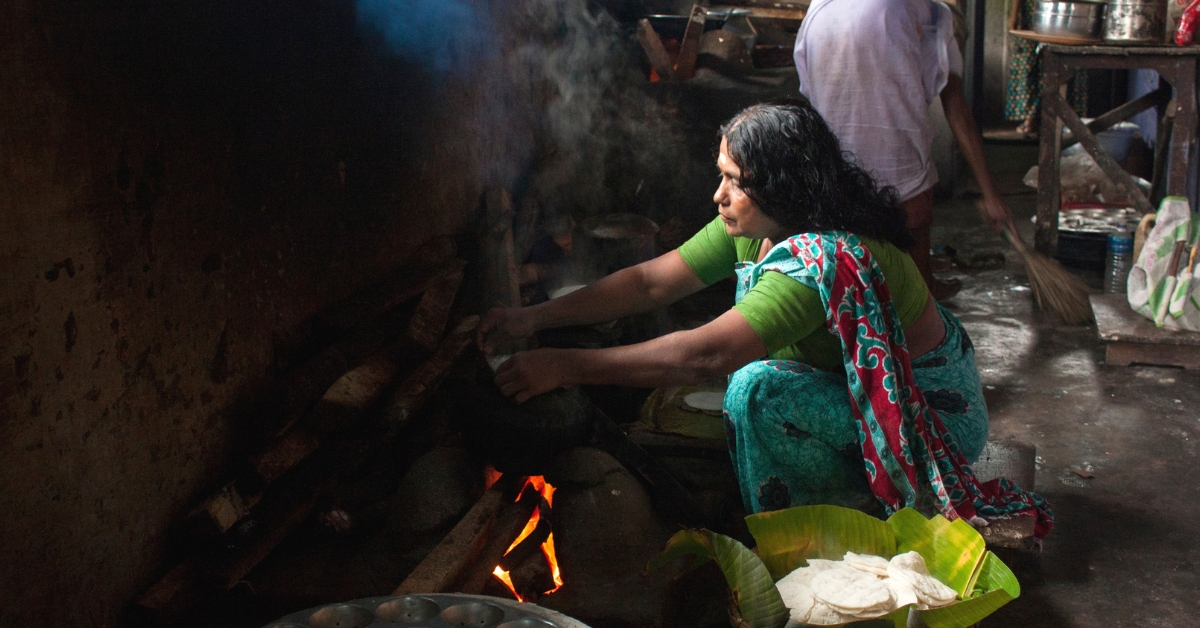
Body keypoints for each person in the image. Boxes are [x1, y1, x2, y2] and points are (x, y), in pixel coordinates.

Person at [478, 101, 1052, 535]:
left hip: (927, 416)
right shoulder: (761, 227)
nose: (718, 195)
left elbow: (706, 354)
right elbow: (650, 281)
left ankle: (826, 537)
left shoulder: (820, 261)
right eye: (722, 174)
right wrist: (534, 319)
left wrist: (564, 366)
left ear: (779, 187)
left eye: (734, 181)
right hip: (859, 391)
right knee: (757, 381)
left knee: (754, 389)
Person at [793, 0, 1018, 299]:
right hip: (889, 139)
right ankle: (922, 290)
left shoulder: (821, 9)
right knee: (912, 206)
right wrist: (991, 196)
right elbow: (956, 108)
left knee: (845, 229)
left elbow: (810, 90)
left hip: (831, 145)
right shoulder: (937, 19)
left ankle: (866, 293)